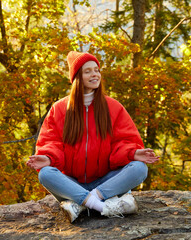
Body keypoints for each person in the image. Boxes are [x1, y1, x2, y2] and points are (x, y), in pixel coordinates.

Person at [26, 51, 159, 223]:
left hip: (105, 183)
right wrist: (48, 158)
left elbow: (123, 142)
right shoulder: (59, 109)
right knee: (45, 174)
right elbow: (51, 143)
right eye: (88, 71)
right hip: (72, 184)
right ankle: (104, 206)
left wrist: (132, 154)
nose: (95, 74)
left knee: (140, 168)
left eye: (96, 70)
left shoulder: (113, 107)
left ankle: (83, 203)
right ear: (77, 77)